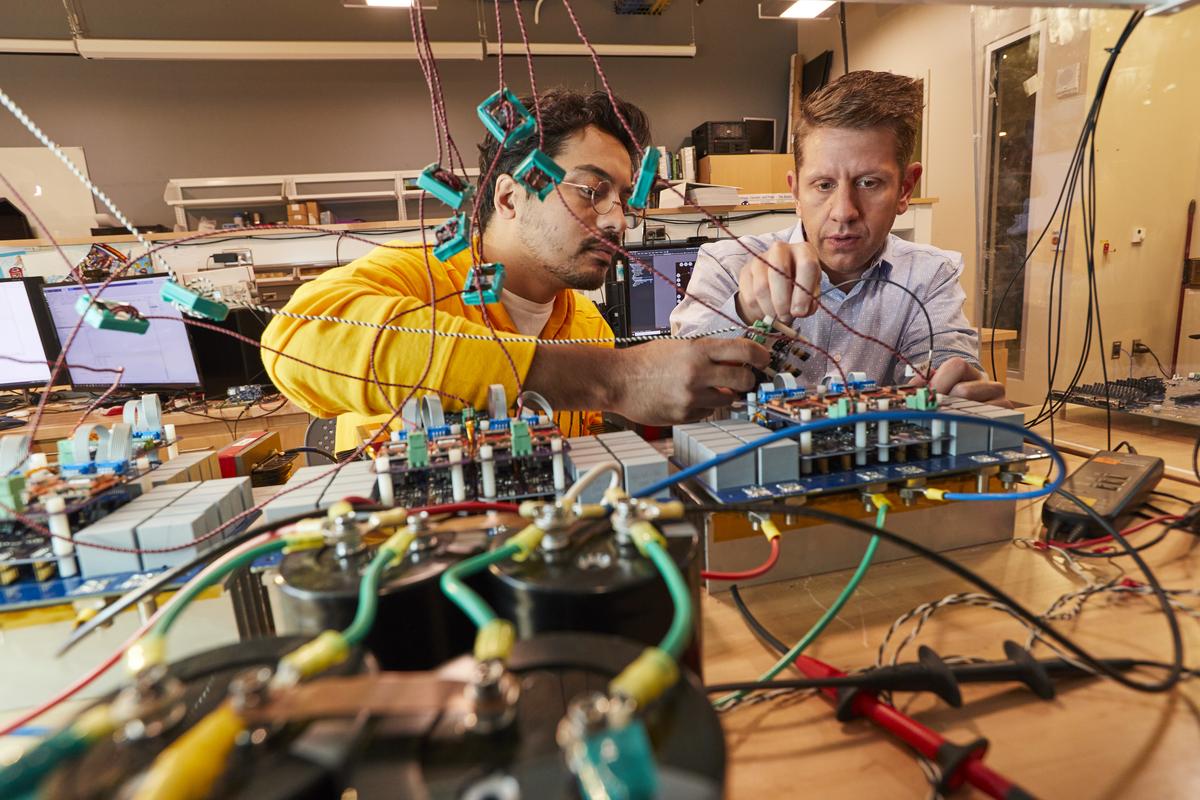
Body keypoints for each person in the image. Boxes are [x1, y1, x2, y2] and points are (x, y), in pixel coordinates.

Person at [262, 88, 767, 452]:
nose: (617, 221)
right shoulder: (414, 278)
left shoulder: (587, 328)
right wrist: (611, 378)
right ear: (509, 196)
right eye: (592, 191)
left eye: (625, 201)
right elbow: (292, 342)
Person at [671, 71, 1008, 406]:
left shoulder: (930, 274)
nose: (844, 211)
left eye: (869, 183)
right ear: (796, 192)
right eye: (824, 185)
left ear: (905, 188)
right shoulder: (727, 264)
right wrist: (744, 311)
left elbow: (947, 368)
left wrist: (959, 393)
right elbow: (678, 380)